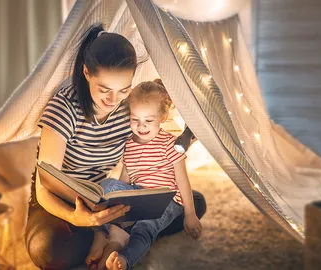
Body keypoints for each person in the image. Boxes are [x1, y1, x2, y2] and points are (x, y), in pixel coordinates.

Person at [24, 23, 207, 269]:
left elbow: (161, 133)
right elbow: (45, 187)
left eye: (124, 89)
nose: (113, 99)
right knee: (49, 251)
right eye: (104, 89)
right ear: (87, 72)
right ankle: (118, 234)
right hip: (58, 201)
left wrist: (186, 133)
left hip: (101, 195)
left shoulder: (127, 107)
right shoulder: (64, 107)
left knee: (193, 203)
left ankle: (116, 235)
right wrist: (76, 217)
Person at [94, 79, 203, 270]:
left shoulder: (170, 143)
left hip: (165, 200)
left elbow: (182, 180)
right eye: (135, 119)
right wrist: (117, 200)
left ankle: (125, 260)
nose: (141, 126)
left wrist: (190, 214)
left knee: (145, 228)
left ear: (162, 117)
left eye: (148, 120)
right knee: (108, 186)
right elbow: (125, 178)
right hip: (138, 195)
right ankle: (107, 243)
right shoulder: (129, 143)